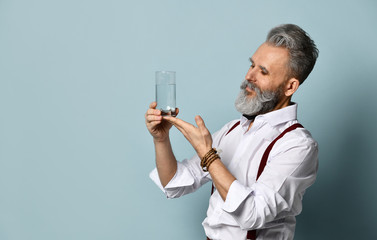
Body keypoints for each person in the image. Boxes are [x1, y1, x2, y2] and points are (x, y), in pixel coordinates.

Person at [145, 24, 319, 240]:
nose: (249, 76)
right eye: (252, 65)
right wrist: (161, 139)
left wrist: (208, 154)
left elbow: (252, 213)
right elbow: (174, 183)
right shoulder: (232, 130)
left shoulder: (298, 145)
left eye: (263, 71)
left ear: (290, 87)